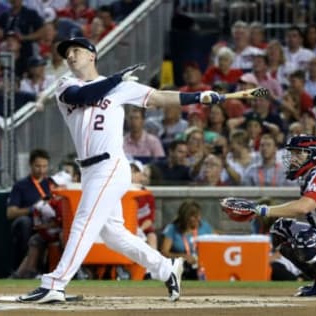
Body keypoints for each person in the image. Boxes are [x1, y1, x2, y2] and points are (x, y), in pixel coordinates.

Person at [18, 37, 222, 303]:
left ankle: (55, 283)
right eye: (67, 53)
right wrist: (116, 78)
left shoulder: (121, 87)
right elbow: (85, 96)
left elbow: (159, 97)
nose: (69, 56)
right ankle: (166, 268)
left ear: (92, 55)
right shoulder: (66, 85)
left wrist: (199, 96)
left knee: (84, 222)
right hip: (89, 170)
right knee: (112, 234)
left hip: (110, 165)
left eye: (75, 51)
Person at [230, 135, 316, 298]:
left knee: (305, 239)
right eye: (292, 153)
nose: (293, 159)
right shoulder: (310, 178)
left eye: (298, 154)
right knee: (280, 230)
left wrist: (261, 209)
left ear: (314, 155)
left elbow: (303, 207)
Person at [7, 149, 52, 271]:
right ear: (31, 165)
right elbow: (10, 213)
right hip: (30, 221)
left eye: (44, 166)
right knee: (24, 222)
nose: (41, 170)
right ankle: (24, 269)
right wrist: (32, 210)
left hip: (49, 222)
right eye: (38, 166)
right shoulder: (20, 185)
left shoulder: (51, 184)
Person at [161, 199, 214, 280]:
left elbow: (218, 242)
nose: (198, 219)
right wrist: (182, 256)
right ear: (186, 217)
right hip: (183, 269)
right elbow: (164, 252)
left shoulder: (205, 227)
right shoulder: (172, 229)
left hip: (203, 267)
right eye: (194, 216)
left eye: (199, 215)